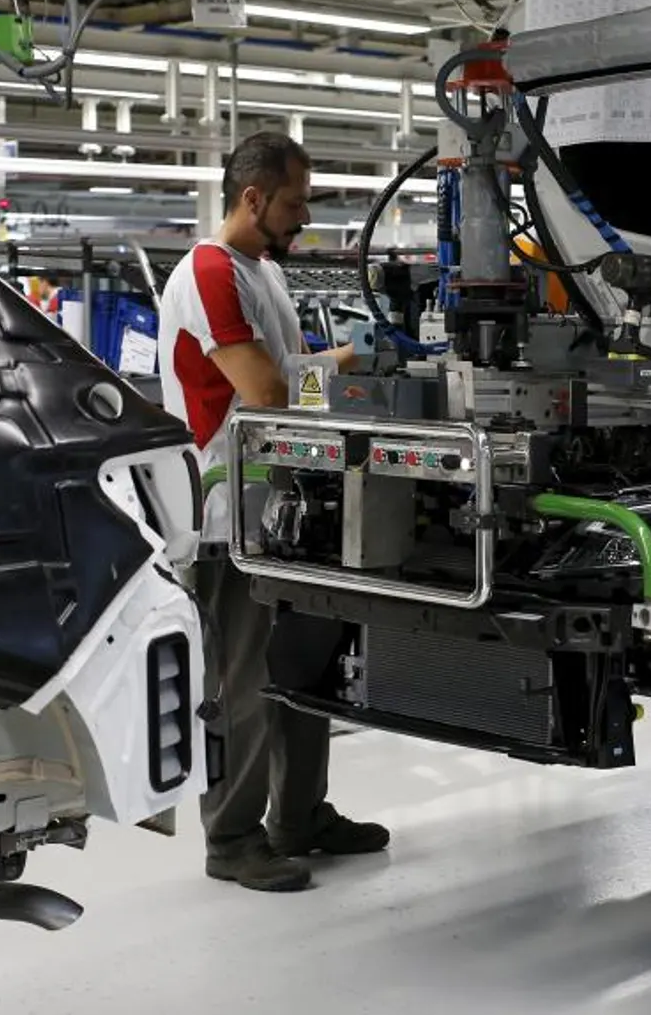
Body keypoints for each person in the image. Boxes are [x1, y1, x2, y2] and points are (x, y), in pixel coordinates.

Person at [158, 131, 390, 893]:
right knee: (245, 682)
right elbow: (265, 390)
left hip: (284, 509)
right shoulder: (208, 271)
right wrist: (340, 377)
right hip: (229, 517)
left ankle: (299, 817)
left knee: (305, 671)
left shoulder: (263, 271)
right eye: (292, 204)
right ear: (252, 197)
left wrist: (350, 363)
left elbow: (287, 375)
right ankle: (231, 836)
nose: (301, 220)